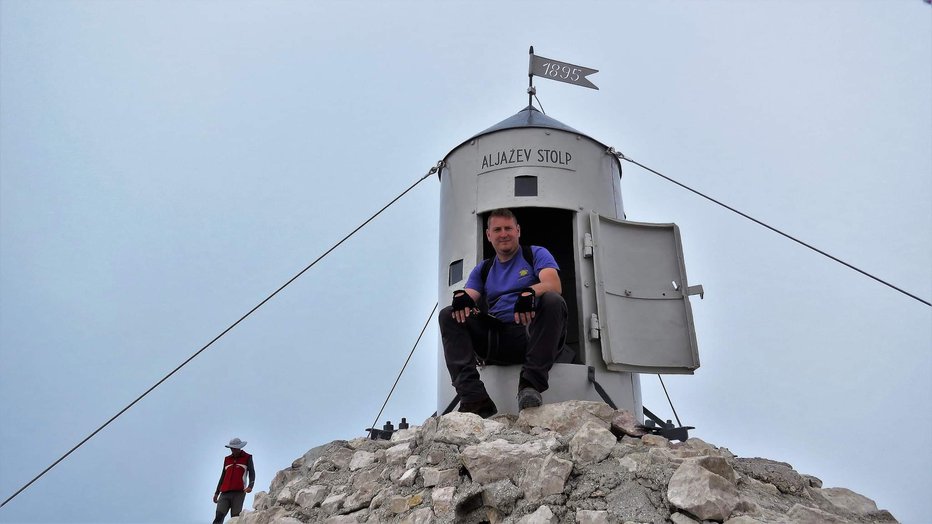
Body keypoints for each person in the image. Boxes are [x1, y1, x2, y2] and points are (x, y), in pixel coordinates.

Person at [439, 208, 567, 417]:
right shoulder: (484, 268)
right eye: (497, 229)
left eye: (508, 228)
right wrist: (461, 297)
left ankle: (530, 386)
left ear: (518, 231)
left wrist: (529, 293)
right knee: (448, 314)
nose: (503, 234)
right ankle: (474, 398)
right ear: (489, 235)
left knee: (553, 300)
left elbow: (553, 284)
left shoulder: (535, 254)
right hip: (497, 339)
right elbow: (470, 294)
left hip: (532, 335)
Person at [212, 437, 255, 524]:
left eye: (234, 448)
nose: (233, 450)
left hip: (238, 493)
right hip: (224, 493)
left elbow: (252, 473)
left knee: (235, 519)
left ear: (239, 448)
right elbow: (223, 476)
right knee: (218, 517)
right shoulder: (227, 459)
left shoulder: (247, 457)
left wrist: (250, 486)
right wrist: (217, 493)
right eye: (231, 448)